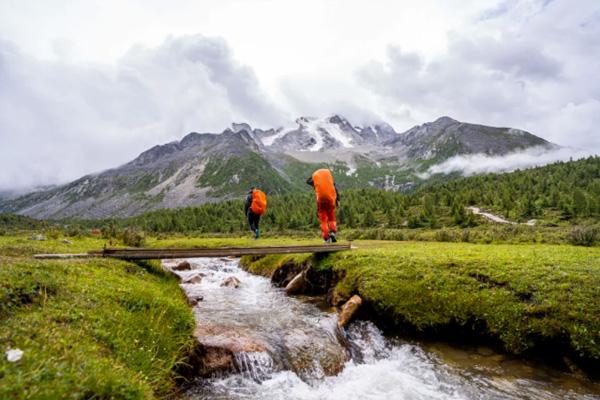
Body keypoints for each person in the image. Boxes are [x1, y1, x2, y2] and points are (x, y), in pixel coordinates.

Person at [307, 168, 340, 243]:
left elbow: (308, 181)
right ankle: (332, 232)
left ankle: (326, 238)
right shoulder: (330, 182)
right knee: (332, 218)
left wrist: (314, 177)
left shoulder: (316, 183)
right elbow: (335, 189)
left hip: (321, 201)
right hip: (331, 200)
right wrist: (338, 199)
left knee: (323, 221)